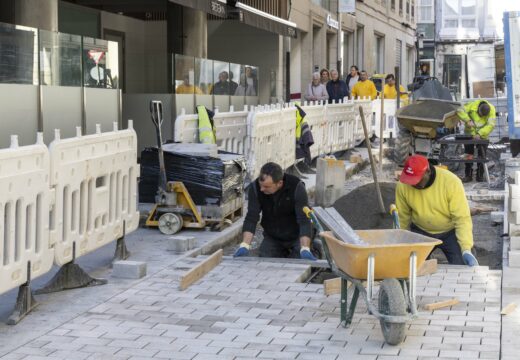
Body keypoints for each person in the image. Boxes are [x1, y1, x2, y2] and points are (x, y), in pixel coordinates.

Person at [396, 155, 478, 266]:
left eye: (417, 180)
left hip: (450, 233)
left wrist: (466, 248)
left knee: (462, 265)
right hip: (421, 233)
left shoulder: (450, 182)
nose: (413, 184)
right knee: (412, 267)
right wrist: (400, 243)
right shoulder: (404, 185)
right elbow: (402, 217)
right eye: (411, 180)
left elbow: (462, 218)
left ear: (428, 171)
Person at [234, 162, 316, 260]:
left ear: (279, 183)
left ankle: (310, 249)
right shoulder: (255, 188)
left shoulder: (296, 187)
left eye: (266, 187)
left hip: (297, 235)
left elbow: (304, 220)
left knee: (300, 260)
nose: (261, 189)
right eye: (261, 185)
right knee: (265, 257)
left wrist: (305, 248)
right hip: (273, 236)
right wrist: (245, 245)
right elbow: (251, 217)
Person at [457, 100, 496, 183]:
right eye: (480, 115)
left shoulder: (491, 110)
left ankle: (480, 176)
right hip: (469, 133)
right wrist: (467, 120)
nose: (480, 117)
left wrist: (480, 133)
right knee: (468, 154)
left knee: (482, 156)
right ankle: (468, 175)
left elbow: (491, 125)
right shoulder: (472, 105)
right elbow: (459, 110)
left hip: (482, 135)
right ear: (478, 109)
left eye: (483, 116)